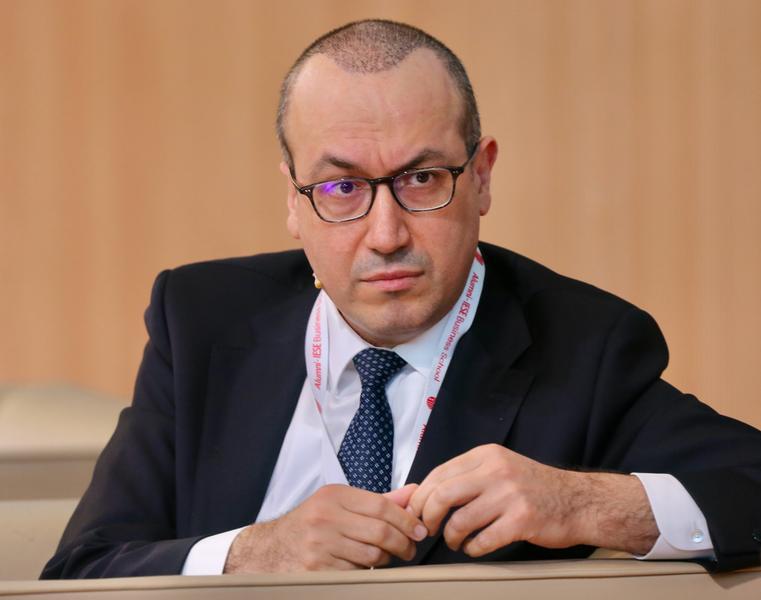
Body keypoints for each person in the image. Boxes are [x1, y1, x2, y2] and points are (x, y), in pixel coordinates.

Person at [42, 19, 761, 579]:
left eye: (421, 179)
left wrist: (583, 504)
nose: (385, 236)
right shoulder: (201, 319)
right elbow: (83, 569)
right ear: (292, 199)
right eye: (341, 187)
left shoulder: (581, 345)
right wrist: (251, 554)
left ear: (481, 177)